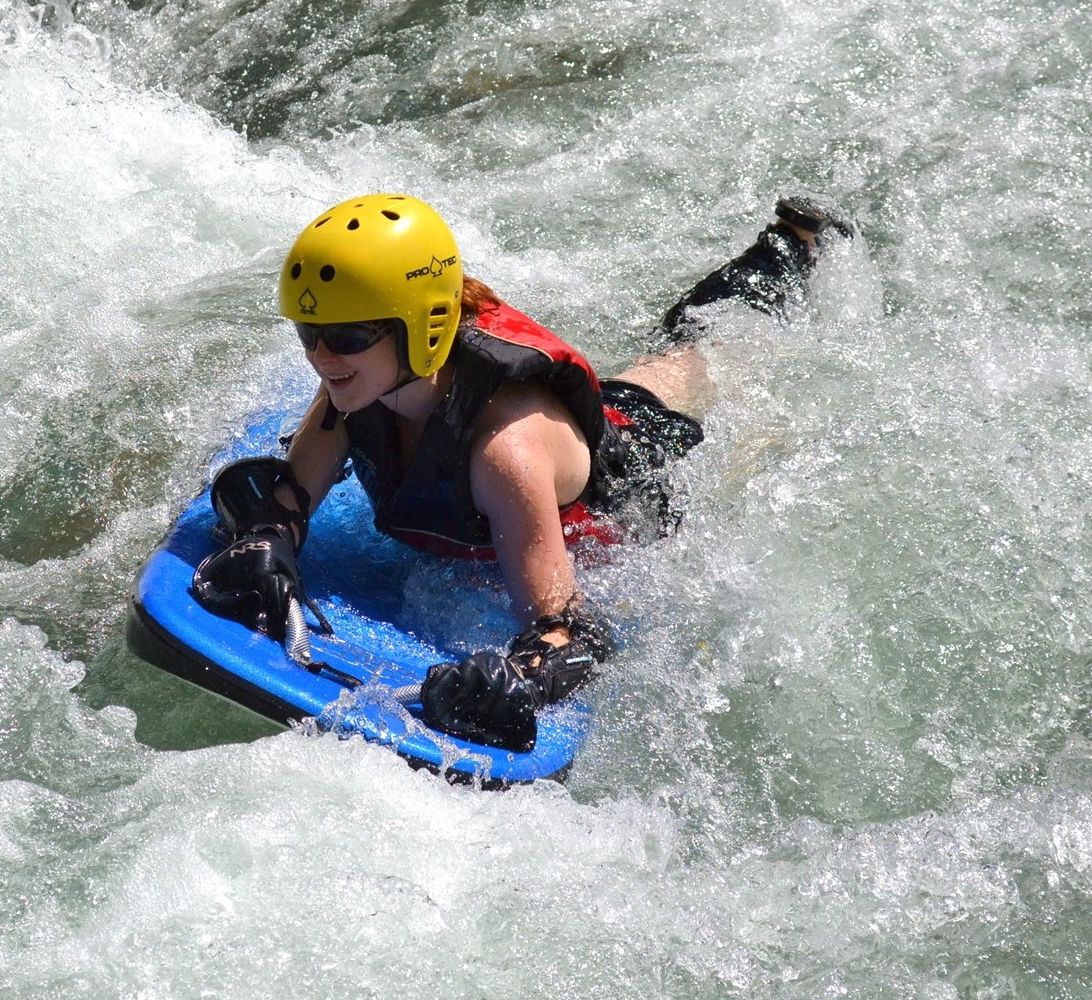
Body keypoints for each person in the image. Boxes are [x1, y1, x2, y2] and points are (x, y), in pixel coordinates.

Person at [191, 192, 855, 751]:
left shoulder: (504, 455)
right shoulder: (358, 381)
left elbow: (574, 628)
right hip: (575, 434)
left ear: (420, 327)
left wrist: (522, 677)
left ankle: (795, 250)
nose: (323, 355)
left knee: (719, 366)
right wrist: (266, 537)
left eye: (348, 336)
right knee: (673, 361)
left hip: (641, 483)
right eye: (309, 332)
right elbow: (288, 497)